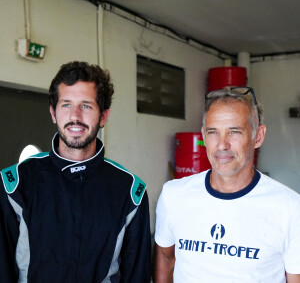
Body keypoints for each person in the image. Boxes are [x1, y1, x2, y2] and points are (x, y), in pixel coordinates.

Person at [0, 61, 151, 282]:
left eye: (86, 106)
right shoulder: (15, 183)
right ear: (53, 113)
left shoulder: (130, 193)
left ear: (104, 116)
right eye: (66, 105)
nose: (75, 116)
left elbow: (137, 276)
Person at [154, 86, 300, 283]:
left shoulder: (289, 207)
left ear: (258, 136)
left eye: (234, 131)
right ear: (204, 135)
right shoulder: (174, 195)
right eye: (213, 132)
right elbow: (165, 257)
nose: (222, 144)